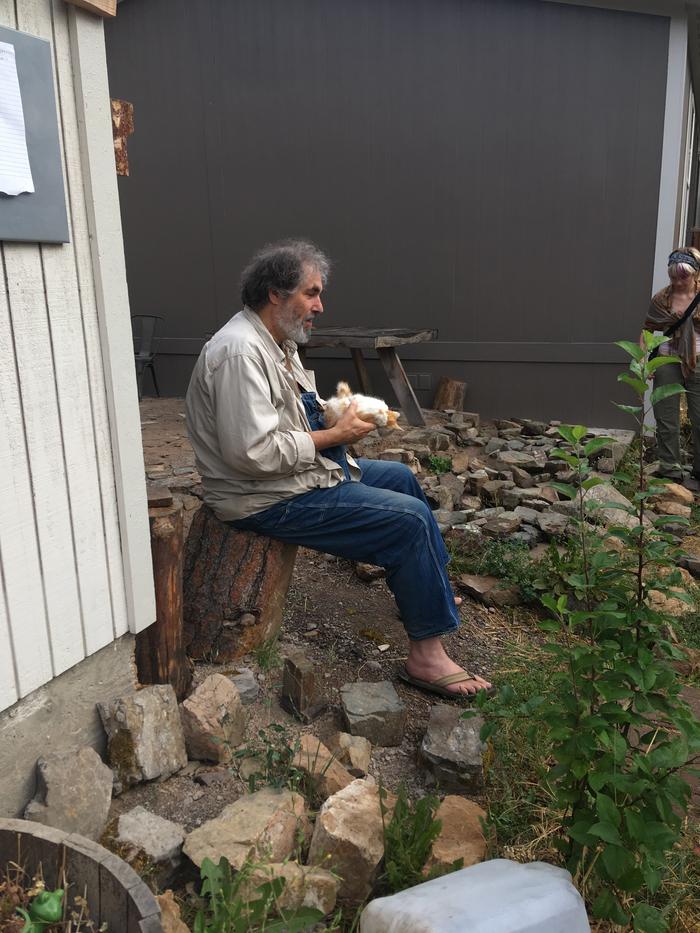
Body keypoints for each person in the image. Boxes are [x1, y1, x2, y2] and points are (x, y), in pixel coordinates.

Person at [185, 239, 492, 697]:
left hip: (288, 477)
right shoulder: (239, 353)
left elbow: (290, 413)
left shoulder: (276, 342)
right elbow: (251, 454)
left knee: (403, 479)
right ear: (275, 293)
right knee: (407, 523)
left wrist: (340, 414)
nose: (319, 305)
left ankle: (431, 596)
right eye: (311, 293)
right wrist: (336, 437)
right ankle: (426, 658)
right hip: (260, 497)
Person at [644, 246, 700, 486]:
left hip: (697, 360)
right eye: (673, 276)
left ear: (695, 273)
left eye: (683, 276)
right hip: (667, 359)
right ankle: (670, 470)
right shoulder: (662, 298)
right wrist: (644, 361)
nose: (677, 281)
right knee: (666, 417)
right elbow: (647, 329)